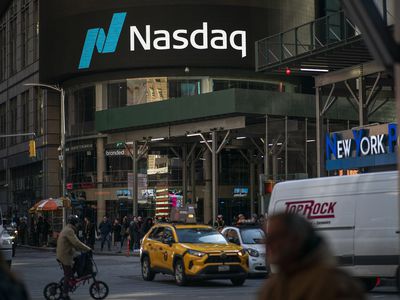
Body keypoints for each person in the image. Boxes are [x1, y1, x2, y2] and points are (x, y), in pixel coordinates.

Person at [259, 213, 365, 300]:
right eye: (268, 236)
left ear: (296, 239)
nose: (267, 242)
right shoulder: (273, 285)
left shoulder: (332, 284)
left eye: (276, 236)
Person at [57, 215, 92, 300]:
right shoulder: (69, 231)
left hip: (67, 253)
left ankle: (72, 279)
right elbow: (76, 242)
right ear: (74, 223)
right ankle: (65, 294)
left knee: (77, 260)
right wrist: (88, 249)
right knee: (67, 275)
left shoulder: (68, 229)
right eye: (76, 222)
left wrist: (81, 249)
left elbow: (74, 244)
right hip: (65, 255)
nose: (77, 224)